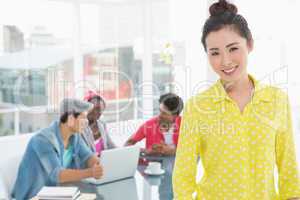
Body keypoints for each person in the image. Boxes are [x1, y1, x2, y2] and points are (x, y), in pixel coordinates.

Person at [173, 1, 300, 199]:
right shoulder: (198, 107)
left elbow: (288, 166)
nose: (225, 61)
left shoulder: (277, 100)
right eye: (214, 52)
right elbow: (183, 175)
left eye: (233, 48)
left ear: (249, 44)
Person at [12, 98, 103, 200]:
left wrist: (99, 165)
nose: (86, 123)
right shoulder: (43, 140)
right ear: (70, 119)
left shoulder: (74, 137)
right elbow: (57, 175)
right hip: (34, 196)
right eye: (83, 118)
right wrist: (91, 172)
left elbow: (88, 157)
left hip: (59, 193)